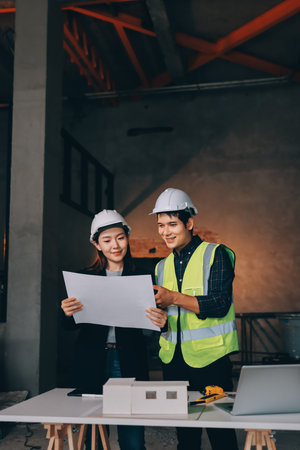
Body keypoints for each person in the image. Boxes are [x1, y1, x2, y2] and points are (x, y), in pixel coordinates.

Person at [146, 188, 239, 450]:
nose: (166, 232)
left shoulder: (216, 254)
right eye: (161, 225)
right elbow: (168, 318)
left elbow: (220, 304)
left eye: (172, 224)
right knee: (186, 435)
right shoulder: (160, 266)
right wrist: (158, 319)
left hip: (211, 360)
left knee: (220, 431)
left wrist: (173, 298)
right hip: (173, 362)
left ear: (189, 223)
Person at [61, 209, 148, 450]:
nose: (115, 245)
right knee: (94, 434)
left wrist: (160, 321)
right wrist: (66, 312)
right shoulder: (84, 277)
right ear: (97, 245)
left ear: (127, 239)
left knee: (132, 432)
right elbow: (67, 326)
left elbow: (153, 328)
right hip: (92, 358)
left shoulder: (142, 276)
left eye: (120, 238)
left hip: (128, 358)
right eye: (107, 240)